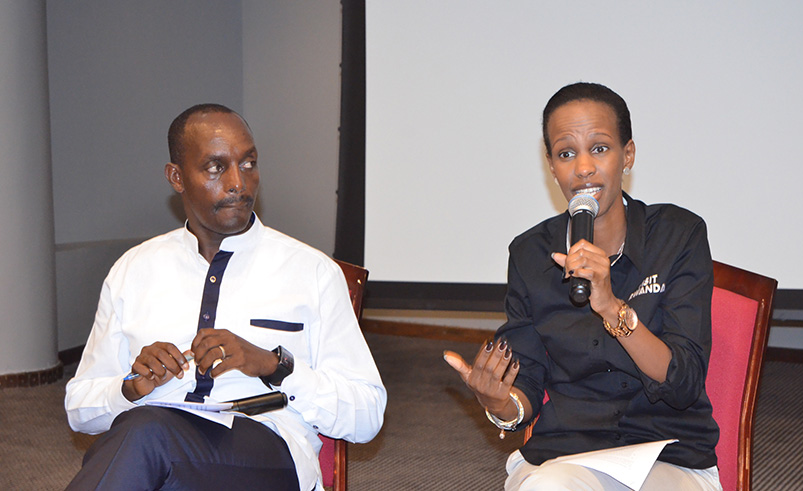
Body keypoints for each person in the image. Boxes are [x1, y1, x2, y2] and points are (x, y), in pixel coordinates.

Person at [64, 104, 386, 490]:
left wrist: (272, 365)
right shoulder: (134, 270)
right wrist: (131, 386)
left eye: (248, 163)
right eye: (216, 167)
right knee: (144, 442)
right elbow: (79, 409)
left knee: (144, 440)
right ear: (176, 177)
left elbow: (367, 416)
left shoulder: (311, 271)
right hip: (154, 440)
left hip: (265, 449)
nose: (238, 182)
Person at [444, 83, 721, 490]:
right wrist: (501, 405)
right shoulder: (530, 253)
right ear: (551, 165)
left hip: (667, 454)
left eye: (600, 148)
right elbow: (527, 381)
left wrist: (611, 308)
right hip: (567, 456)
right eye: (566, 153)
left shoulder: (678, 235)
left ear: (627, 156)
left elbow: (683, 382)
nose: (583, 168)